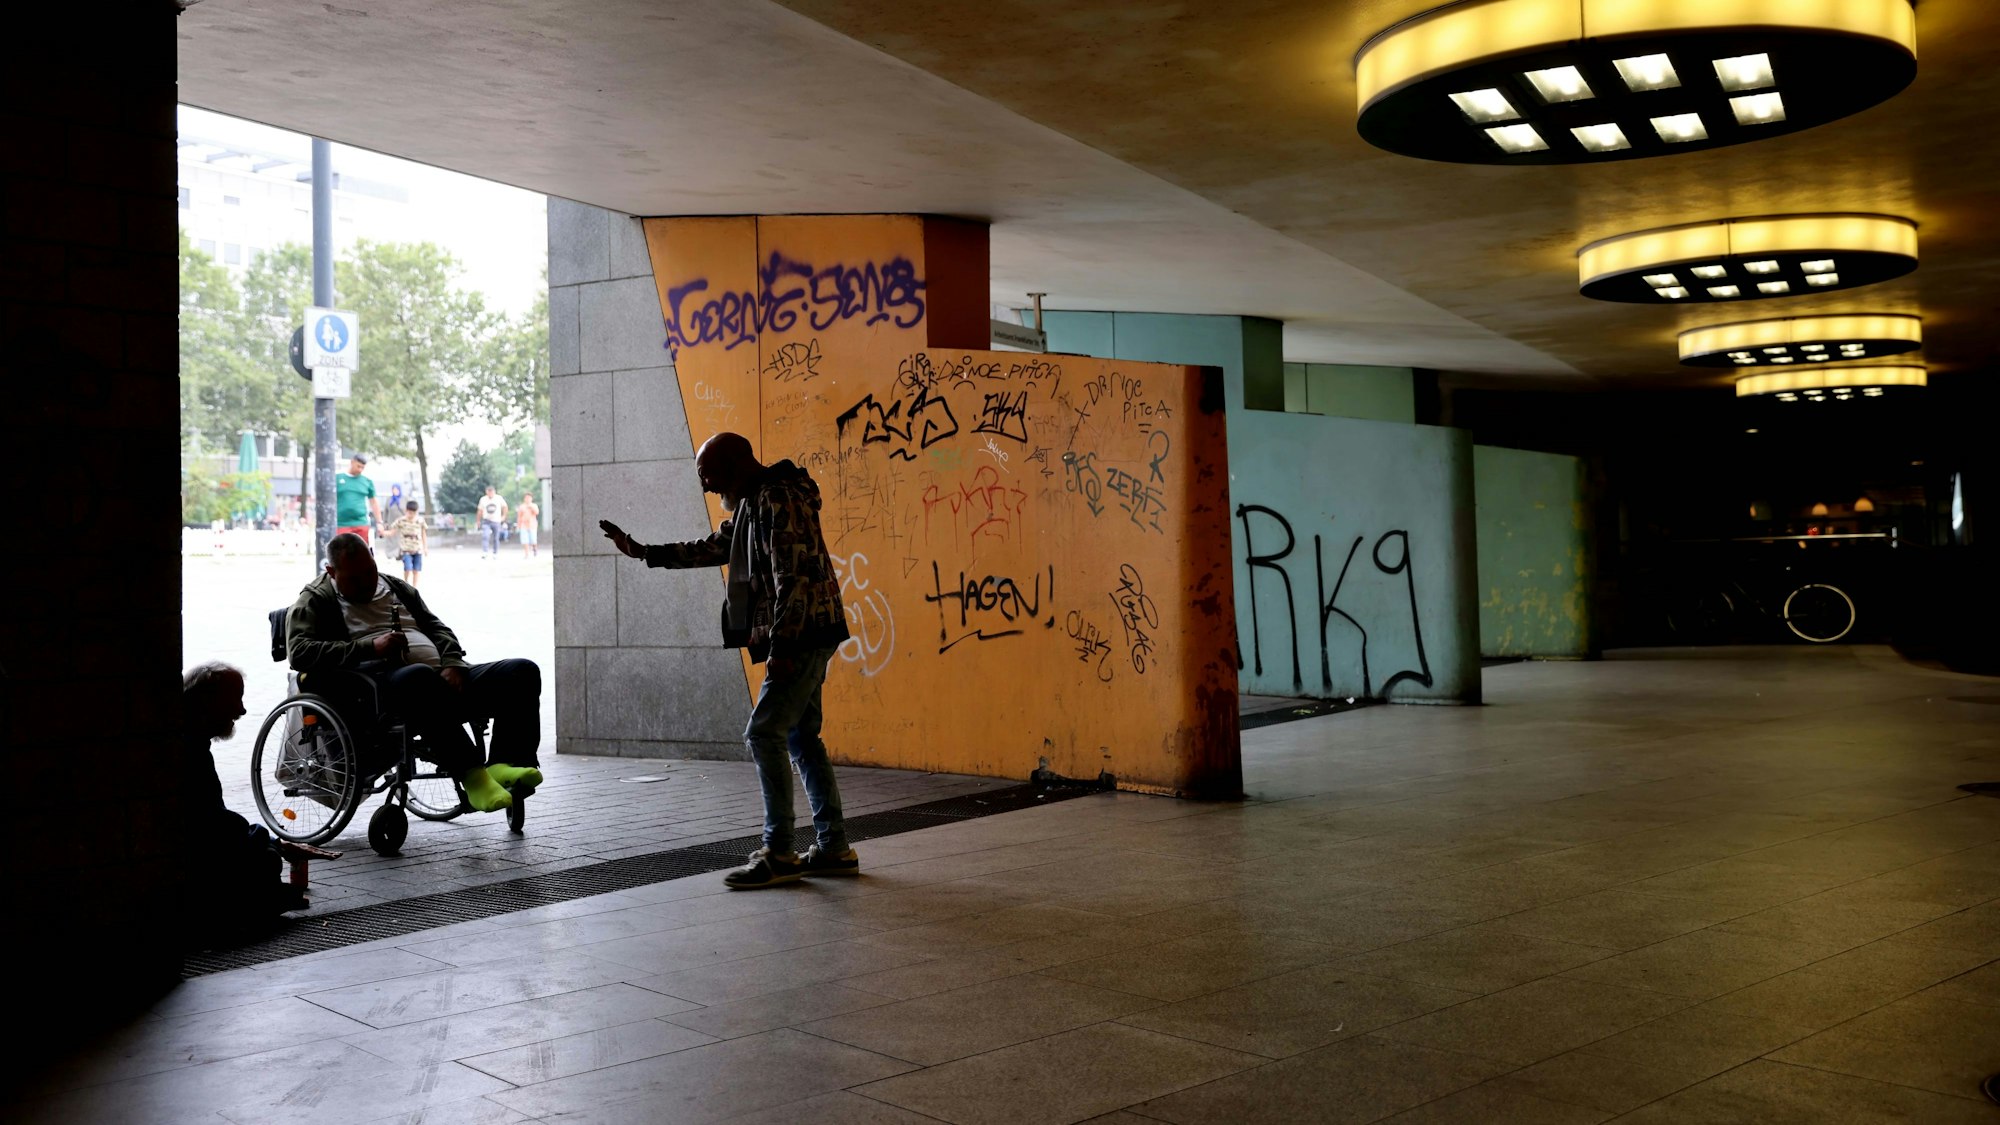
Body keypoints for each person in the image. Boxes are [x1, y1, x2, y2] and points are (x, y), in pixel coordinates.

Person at [601, 432, 856, 889]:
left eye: (708, 475)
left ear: (737, 465)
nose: (705, 486)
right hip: (807, 630)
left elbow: (792, 578)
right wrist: (644, 552)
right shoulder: (752, 501)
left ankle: (779, 850)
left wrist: (782, 649)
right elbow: (714, 547)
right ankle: (833, 847)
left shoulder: (778, 499)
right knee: (799, 735)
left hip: (802, 633)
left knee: (764, 733)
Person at [285, 532, 543, 813]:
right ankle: (473, 776)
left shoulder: (396, 587)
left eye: (370, 571)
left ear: (373, 555)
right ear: (332, 572)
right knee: (418, 677)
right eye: (354, 579)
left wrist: (452, 662)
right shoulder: (315, 599)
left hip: (440, 678)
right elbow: (300, 652)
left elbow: (437, 628)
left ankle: (506, 764)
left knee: (522, 671)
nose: (366, 582)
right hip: (381, 689)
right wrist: (369, 646)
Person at [183, 661, 308, 942]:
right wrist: (267, 840)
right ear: (207, 701)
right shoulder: (191, 751)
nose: (241, 710)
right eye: (234, 700)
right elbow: (211, 823)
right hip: (196, 855)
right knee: (263, 861)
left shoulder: (190, 741)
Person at [335, 453, 379, 543]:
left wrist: (379, 522)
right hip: (342, 524)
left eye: (363, 467)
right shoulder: (337, 478)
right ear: (352, 462)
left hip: (361, 523)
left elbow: (374, 502)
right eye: (358, 466)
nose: (360, 470)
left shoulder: (367, 481)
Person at [391, 499, 428, 586]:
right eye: (409, 512)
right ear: (406, 511)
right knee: (408, 568)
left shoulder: (420, 521)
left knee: (416, 570)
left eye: (413, 513)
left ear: (417, 512)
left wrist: (425, 548)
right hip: (406, 550)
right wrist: (383, 533)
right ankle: (406, 583)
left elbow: (424, 535)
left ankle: (414, 588)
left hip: (418, 549)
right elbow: (392, 531)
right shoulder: (401, 521)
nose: (411, 515)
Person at [477, 486, 509, 559]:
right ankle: (485, 551)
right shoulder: (483, 499)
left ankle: (495, 552)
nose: (490, 494)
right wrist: (478, 520)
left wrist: (504, 516)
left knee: (496, 537)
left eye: (492, 492)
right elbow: (479, 510)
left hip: (496, 520)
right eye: (489, 492)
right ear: (486, 492)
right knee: (485, 536)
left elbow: (505, 507)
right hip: (486, 520)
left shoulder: (499, 498)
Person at [516, 490, 540, 559]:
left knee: (533, 539)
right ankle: (526, 553)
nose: (527, 499)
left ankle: (534, 548)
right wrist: (519, 525)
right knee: (525, 540)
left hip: (532, 525)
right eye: (526, 498)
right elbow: (519, 516)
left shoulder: (534, 505)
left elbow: (536, 513)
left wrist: (531, 507)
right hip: (524, 525)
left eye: (529, 498)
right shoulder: (522, 506)